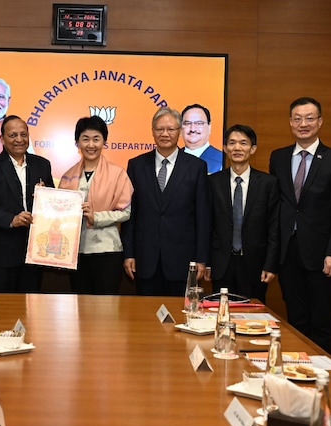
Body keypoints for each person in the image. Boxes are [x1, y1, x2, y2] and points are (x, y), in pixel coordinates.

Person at [268, 97, 331, 355]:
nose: (303, 124)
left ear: (320, 121)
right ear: (290, 122)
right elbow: (277, 207)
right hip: (288, 251)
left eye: (309, 118)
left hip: (322, 253)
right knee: (296, 318)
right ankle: (298, 371)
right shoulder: (278, 157)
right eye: (297, 118)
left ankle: (326, 378)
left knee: (322, 319)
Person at [122, 107, 210, 296]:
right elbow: (131, 214)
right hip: (145, 259)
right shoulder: (136, 165)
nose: (165, 134)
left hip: (182, 260)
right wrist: (129, 253)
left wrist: (202, 259)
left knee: (179, 317)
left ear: (179, 131)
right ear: (152, 131)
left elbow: (203, 217)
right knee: (145, 318)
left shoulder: (196, 167)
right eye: (159, 129)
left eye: (170, 129)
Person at [0, 115, 54, 293]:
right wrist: (12, 219)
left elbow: (52, 204)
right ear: (2, 138)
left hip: (35, 253)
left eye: (23, 134)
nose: (19, 140)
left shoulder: (42, 165)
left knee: (30, 310)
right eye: (13, 135)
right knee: (1, 310)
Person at [59, 116, 133, 295]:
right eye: (85, 139)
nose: (90, 144)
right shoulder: (68, 176)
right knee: (80, 307)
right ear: (77, 143)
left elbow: (126, 212)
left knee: (106, 308)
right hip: (75, 253)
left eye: (96, 139)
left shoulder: (118, 174)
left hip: (107, 250)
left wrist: (96, 217)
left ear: (104, 142)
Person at [206, 124, 279, 303]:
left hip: (255, 264)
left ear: (252, 148)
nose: (237, 148)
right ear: (225, 148)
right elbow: (207, 224)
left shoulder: (268, 183)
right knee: (221, 314)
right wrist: (207, 262)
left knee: (253, 316)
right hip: (221, 263)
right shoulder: (212, 182)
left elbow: (274, 227)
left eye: (243, 143)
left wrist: (271, 264)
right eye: (232, 143)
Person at [181, 103, 223, 174]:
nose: (193, 129)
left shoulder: (222, 160)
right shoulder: (173, 158)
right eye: (187, 123)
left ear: (209, 127)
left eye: (199, 123)